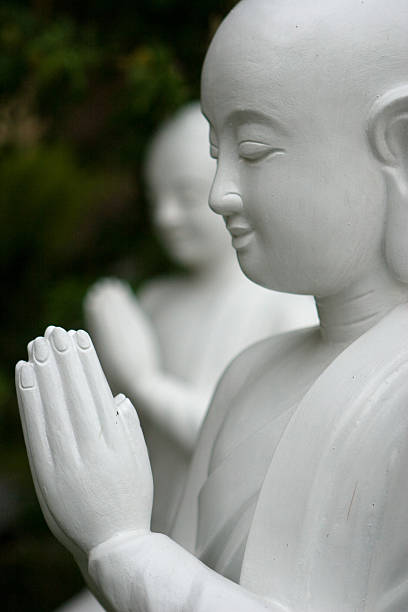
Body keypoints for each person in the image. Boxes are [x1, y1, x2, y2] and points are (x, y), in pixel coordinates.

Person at [15, 0, 408, 609]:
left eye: (252, 150)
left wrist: (123, 547)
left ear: (399, 141)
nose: (219, 193)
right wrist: (107, 538)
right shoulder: (247, 376)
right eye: (214, 152)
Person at [84, 102, 317, 535]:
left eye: (186, 197)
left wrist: (146, 383)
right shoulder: (156, 301)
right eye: (156, 198)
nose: (164, 217)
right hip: (148, 534)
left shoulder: (283, 306)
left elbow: (246, 455)